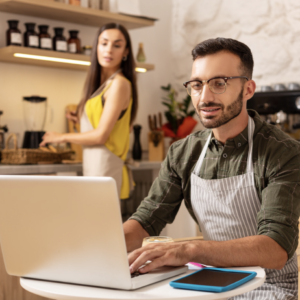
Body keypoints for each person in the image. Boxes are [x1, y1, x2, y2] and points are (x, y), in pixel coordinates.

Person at [123, 38, 300, 299]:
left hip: (269, 287)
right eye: (197, 85)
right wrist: (99, 247)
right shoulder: (183, 153)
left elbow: (274, 250)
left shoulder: (282, 152)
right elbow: (147, 220)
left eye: (219, 83)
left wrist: (189, 250)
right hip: (208, 283)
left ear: (248, 89)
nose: (205, 97)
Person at [40, 23, 138, 200]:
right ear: (96, 47)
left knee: (100, 224)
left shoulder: (119, 84)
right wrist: (80, 120)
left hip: (105, 167)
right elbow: (105, 124)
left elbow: (100, 136)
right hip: (95, 166)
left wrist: (60, 137)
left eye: (117, 45)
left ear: (125, 52)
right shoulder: (103, 86)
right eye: (104, 43)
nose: (109, 50)